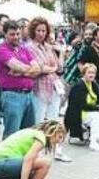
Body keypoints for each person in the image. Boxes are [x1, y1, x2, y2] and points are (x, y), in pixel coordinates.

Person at [25, 17, 70, 162]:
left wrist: (61, 54)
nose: (41, 33)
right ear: (33, 31)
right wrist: (52, 68)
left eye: (44, 30)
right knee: (38, 120)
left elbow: (60, 66)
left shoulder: (48, 47)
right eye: (38, 30)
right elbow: (39, 68)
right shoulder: (29, 47)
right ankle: (36, 151)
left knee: (54, 119)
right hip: (39, 87)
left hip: (54, 85)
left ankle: (57, 149)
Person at [0, 20, 39, 138]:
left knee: (28, 134)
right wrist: (27, 70)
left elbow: (38, 69)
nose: (16, 37)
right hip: (12, 95)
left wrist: (22, 72)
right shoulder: (1, 49)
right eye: (12, 34)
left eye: (18, 34)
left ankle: (25, 157)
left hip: (29, 94)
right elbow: (18, 66)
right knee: (12, 134)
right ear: (5, 34)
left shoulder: (23, 48)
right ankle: (6, 157)